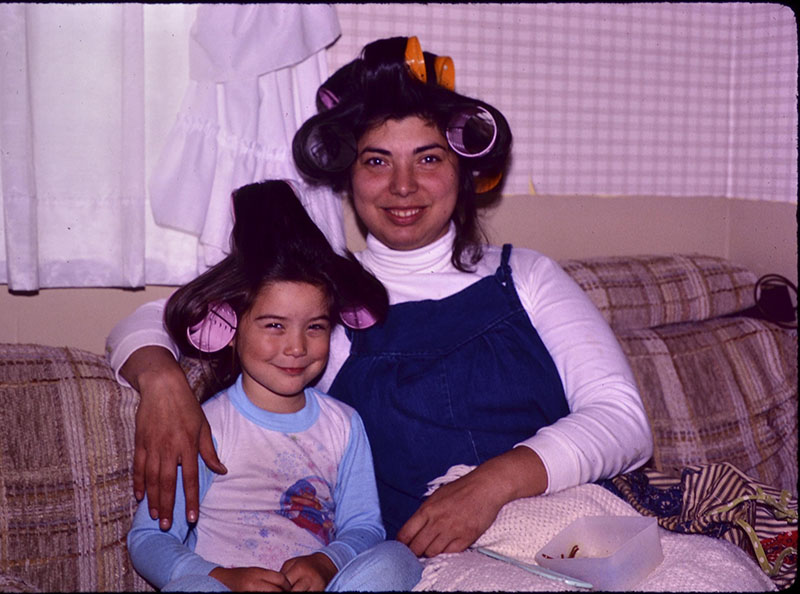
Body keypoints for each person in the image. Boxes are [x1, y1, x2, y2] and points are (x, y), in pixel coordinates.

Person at [108, 36, 653, 560]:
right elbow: (154, 320)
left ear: (463, 171)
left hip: (579, 536)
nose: (402, 185)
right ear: (347, 175)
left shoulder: (527, 275)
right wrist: (162, 383)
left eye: (428, 159)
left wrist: (490, 485)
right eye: (376, 161)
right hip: (433, 564)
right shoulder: (325, 297)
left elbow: (624, 421)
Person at [126, 179, 421, 592]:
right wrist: (219, 576)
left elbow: (364, 526)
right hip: (225, 587)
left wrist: (327, 562)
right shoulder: (205, 425)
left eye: (315, 327)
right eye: (274, 326)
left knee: (398, 558)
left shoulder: (343, 425)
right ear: (229, 328)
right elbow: (149, 538)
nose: (297, 347)